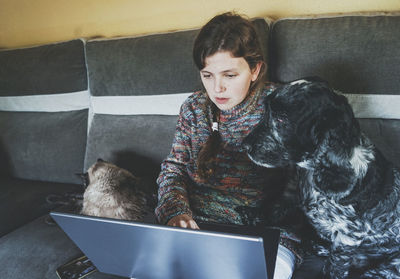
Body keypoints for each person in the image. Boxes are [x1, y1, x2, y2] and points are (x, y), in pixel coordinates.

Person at [155, 12, 303, 279]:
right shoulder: (193, 108)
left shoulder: (282, 107)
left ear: (255, 70)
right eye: (207, 75)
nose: (217, 88)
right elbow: (173, 168)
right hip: (198, 225)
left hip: (267, 233)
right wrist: (175, 212)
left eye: (230, 75)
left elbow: (303, 185)